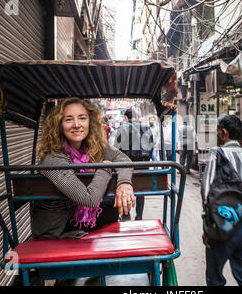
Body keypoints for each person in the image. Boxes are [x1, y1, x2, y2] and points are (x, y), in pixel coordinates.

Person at [32, 97, 136, 239]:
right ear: (59, 125)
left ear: (90, 122)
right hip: (57, 231)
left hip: (76, 221)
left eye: (82, 118)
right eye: (68, 119)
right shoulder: (53, 159)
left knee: (112, 202)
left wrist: (124, 183)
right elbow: (90, 200)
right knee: (109, 202)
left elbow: (123, 159)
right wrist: (105, 168)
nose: (76, 124)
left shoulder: (92, 147)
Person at [201, 115, 242, 286]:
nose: (217, 133)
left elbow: (206, 194)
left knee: (215, 278)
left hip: (222, 224)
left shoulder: (216, 155)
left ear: (224, 132)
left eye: (218, 129)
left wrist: (207, 229)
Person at [114, 108, 153, 220]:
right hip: (143, 164)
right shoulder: (146, 128)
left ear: (127, 117)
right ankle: (139, 216)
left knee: (126, 187)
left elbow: (116, 148)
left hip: (127, 165)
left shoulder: (123, 128)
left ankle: (126, 215)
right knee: (141, 191)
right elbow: (151, 146)